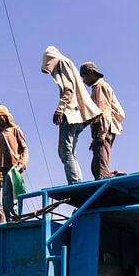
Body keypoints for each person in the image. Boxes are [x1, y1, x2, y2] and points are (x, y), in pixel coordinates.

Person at [40, 46, 101, 185]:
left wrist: (60, 109)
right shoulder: (68, 63)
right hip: (79, 116)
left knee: (64, 151)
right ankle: (77, 181)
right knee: (70, 152)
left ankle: (75, 182)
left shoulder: (62, 62)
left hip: (71, 114)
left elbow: (68, 89)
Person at [80, 61, 125, 180]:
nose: (84, 81)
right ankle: (109, 176)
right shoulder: (97, 88)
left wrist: (101, 134)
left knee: (100, 168)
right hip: (104, 128)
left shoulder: (100, 87)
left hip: (105, 127)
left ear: (91, 72)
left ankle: (106, 179)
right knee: (96, 165)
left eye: (84, 76)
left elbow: (104, 111)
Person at [0, 105, 29, 221]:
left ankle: (14, 219)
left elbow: (24, 148)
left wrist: (23, 162)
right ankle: (10, 220)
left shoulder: (15, 130)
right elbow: (0, 158)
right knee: (5, 199)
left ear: (5, 117)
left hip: (14, 168)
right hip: (4, 170)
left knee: (11, 195)